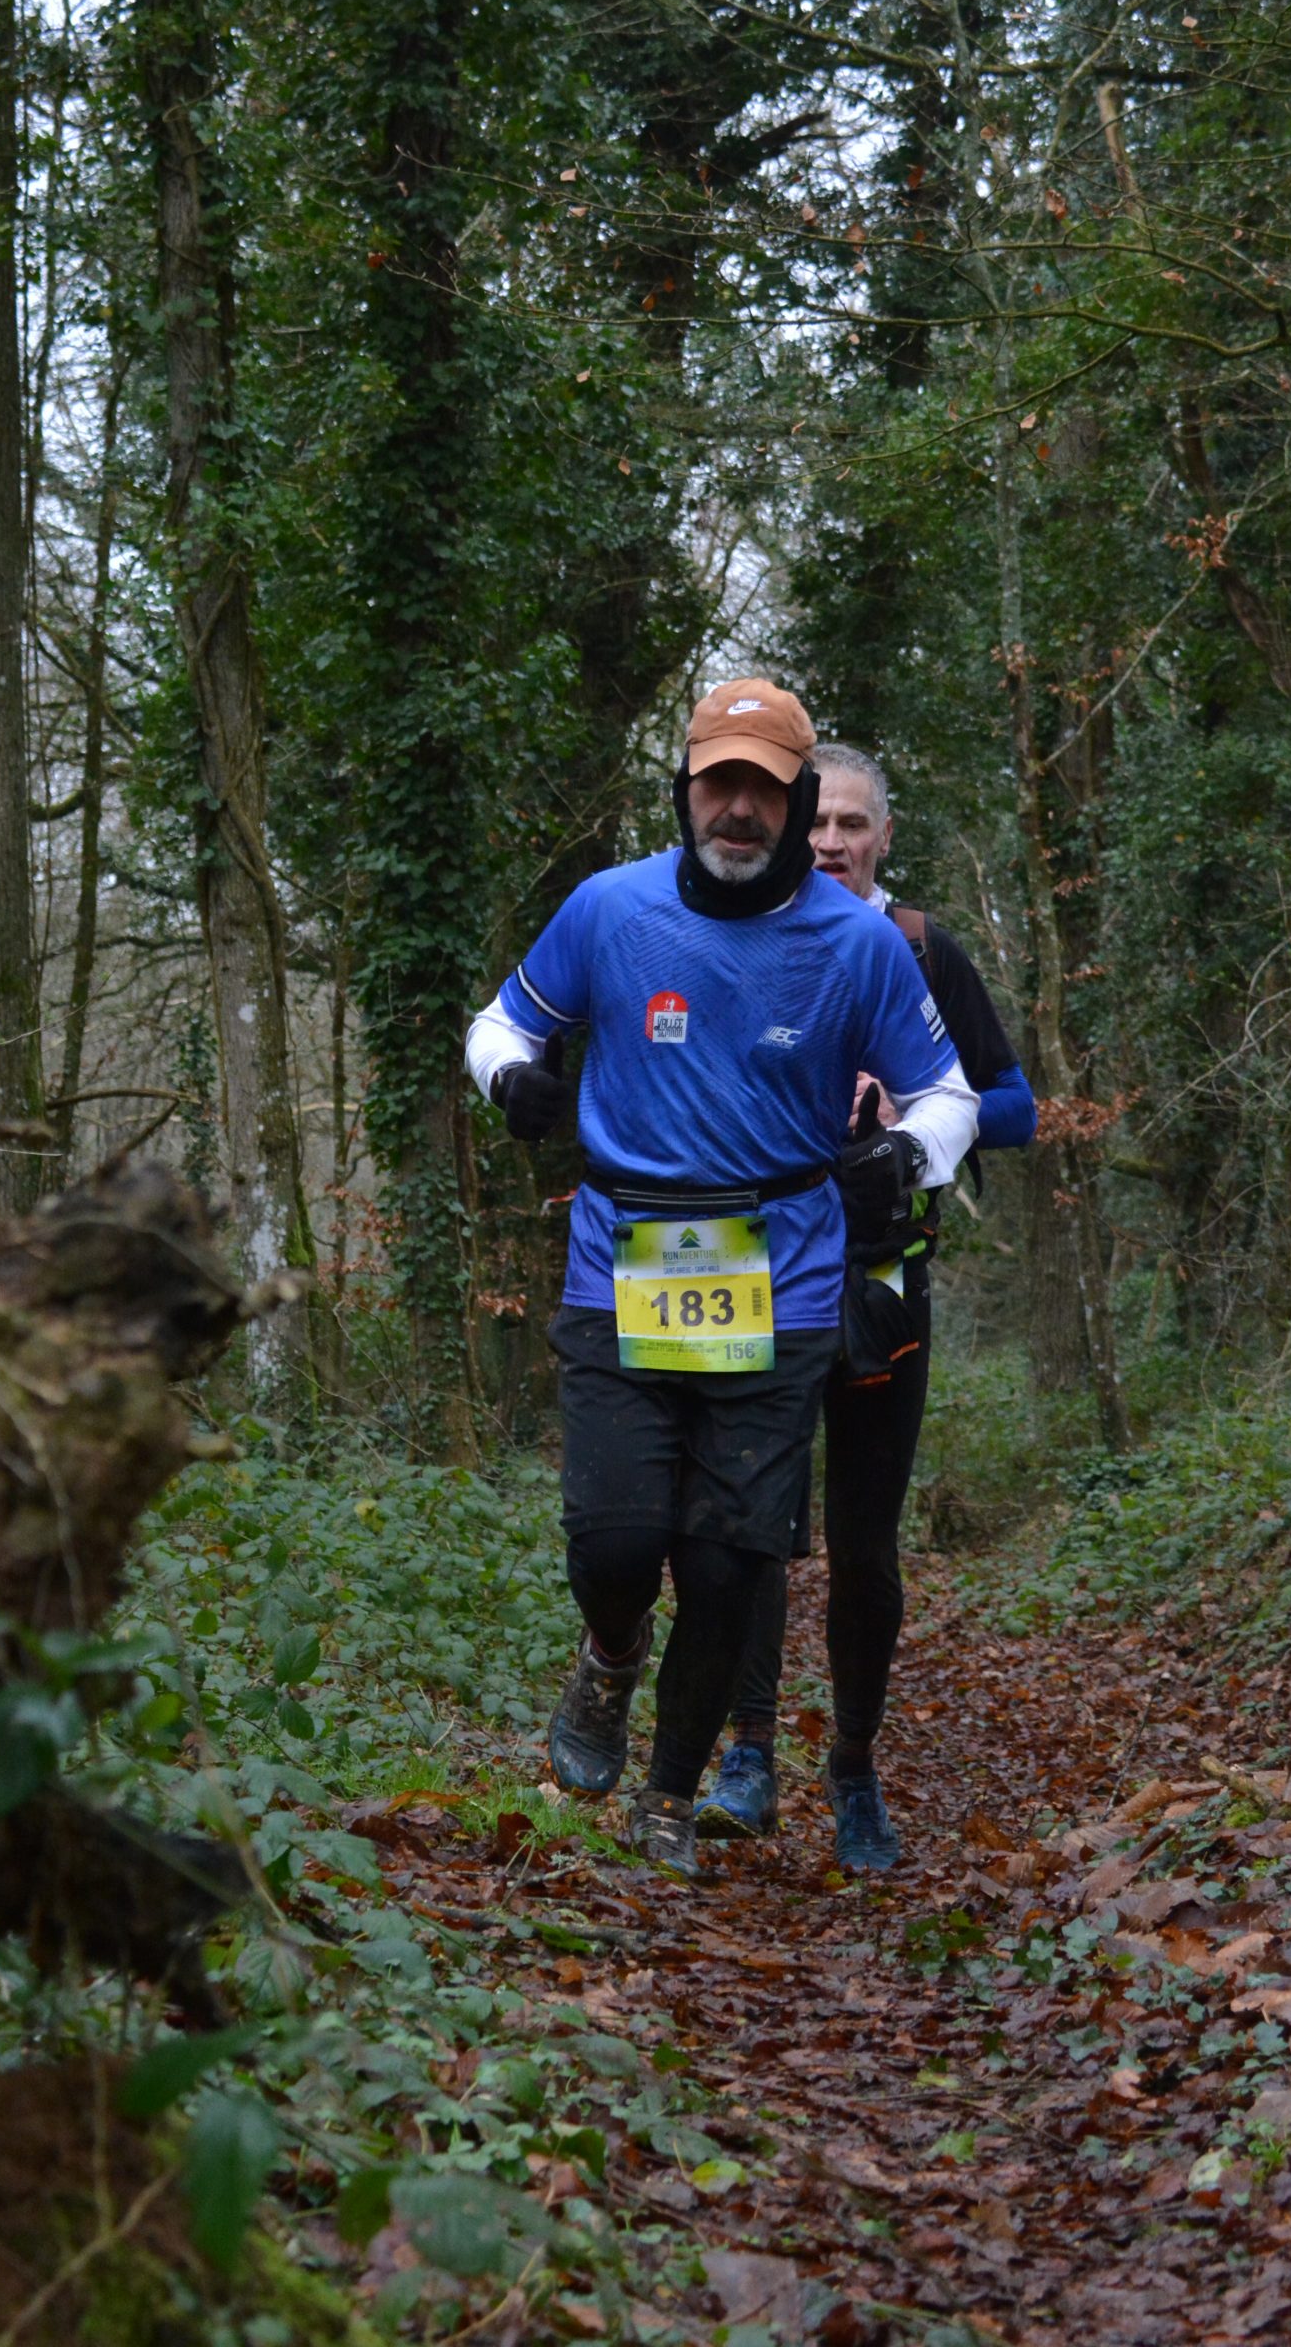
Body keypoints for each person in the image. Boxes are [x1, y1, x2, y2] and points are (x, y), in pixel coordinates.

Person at [464, 682, 979, 1879]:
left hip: (782, 1280)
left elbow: (950, 1093)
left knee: (726, 1562)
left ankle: (669, 1795)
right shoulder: (610, 909)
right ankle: (609, 1654)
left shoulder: (857, 944)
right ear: (684, 789)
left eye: (764, 788)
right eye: (718, 783)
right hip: (619, 1265)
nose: (738, 809)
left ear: (798, 803)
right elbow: (500, 1024)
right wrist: (511, 1079)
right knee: (615, 1536)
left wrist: (906, 1156)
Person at [695, 742, 1035, 1870]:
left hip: (882, 1282)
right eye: (818, 821)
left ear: (884, 836)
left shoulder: (924, 951)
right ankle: (747, 1758)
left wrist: (920, 1115)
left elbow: (1018, 1106)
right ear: (789, 825)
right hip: (749, 1273)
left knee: (864, 1546)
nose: (832, 841)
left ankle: (852, 1768)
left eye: (853, 823)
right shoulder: (735, 937)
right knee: (747, 1524)